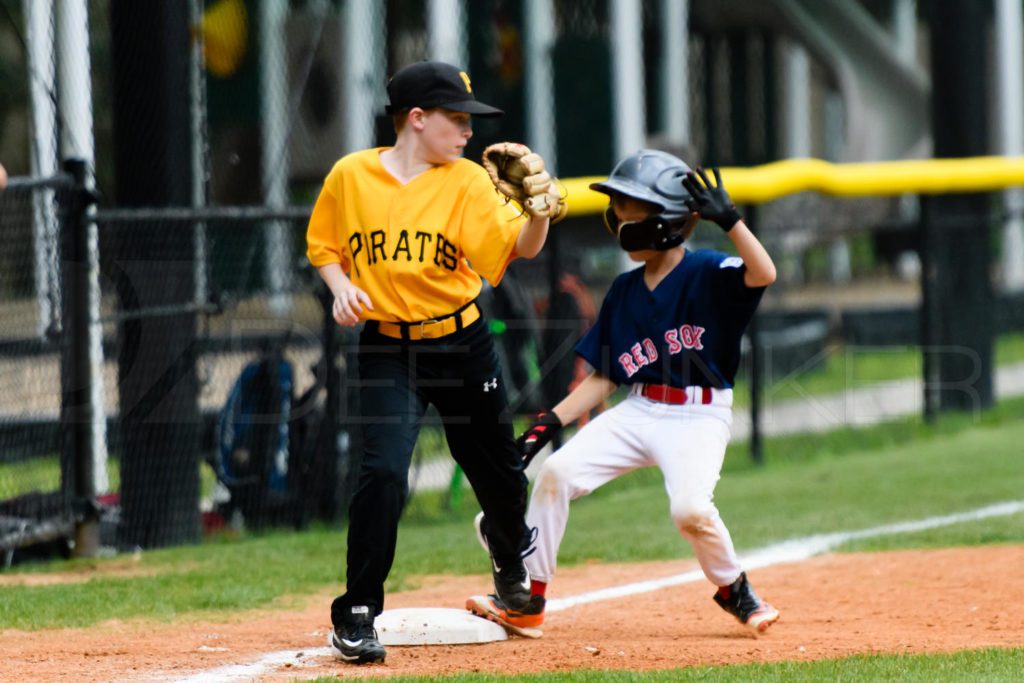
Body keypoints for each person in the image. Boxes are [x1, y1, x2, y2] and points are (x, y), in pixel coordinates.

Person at [467, 149, 780, 638]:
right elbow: (607, 376)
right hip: (640, 408)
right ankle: (529, 600)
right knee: (557, 473)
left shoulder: (707, 271)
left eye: (634, 208)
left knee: (691, 510)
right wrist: (547, 425)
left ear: (672, 219)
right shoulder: (624, 291)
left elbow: (764, 274)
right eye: (619, 208)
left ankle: (735, 591)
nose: (620, 217)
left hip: (699, 416)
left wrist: (733, 222)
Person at [306, 60, 557, 664]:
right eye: (457, 118)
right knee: (384, 473)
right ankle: (359, 609)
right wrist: (340, 287)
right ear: (417, 119)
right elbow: (323, 247)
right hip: (390, 348)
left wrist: (540, 212)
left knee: (499, 471)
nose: (468, 131)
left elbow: (514, 251)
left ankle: (505, 553)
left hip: (463, 343)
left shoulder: (467, 182)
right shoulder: (351, 176)